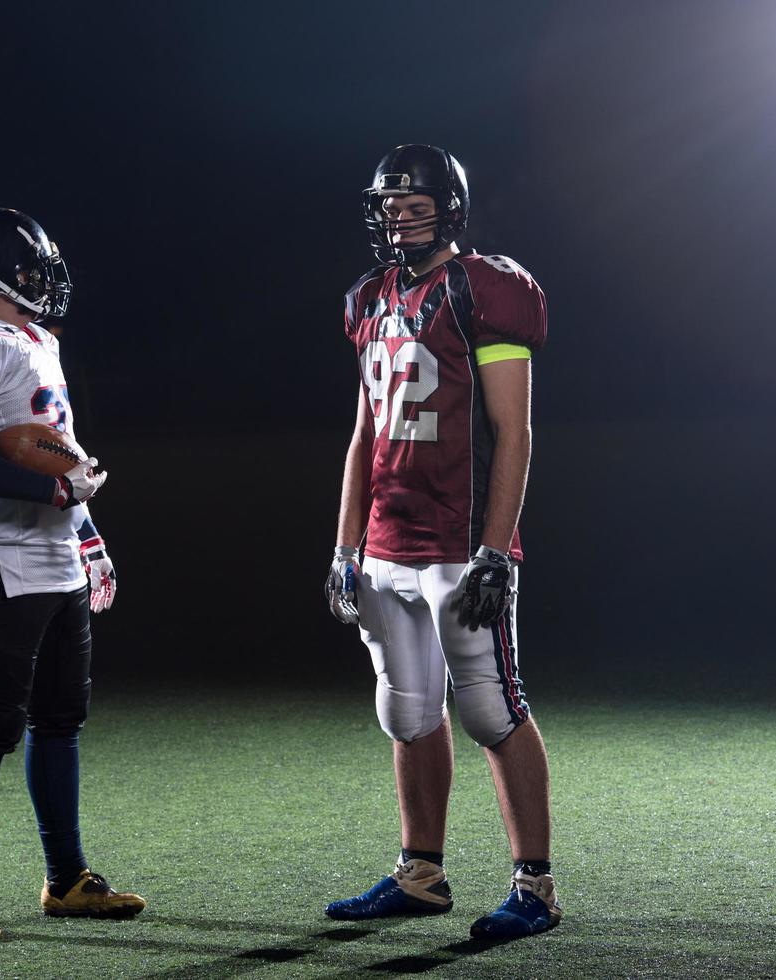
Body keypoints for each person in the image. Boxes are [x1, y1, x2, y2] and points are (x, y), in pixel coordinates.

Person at [323, 146, 561, 939]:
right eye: (389, 203)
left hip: (459, 545)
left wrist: (496, 549)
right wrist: (343, 546)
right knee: (407, 711)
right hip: (386, 544)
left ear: (448, 207)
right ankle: (420, 873)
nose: (399, 215)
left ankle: (534, 888)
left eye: (415, 202)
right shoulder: (367, 298)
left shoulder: (484, 289)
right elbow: (363, 437)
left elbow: (512, 430)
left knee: (492, 710)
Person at [0, 207, 141, 942]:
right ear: (0, 273)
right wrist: (55, 492)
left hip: (53, 558)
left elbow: (53, 450)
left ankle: (66, 878)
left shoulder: (36, 341)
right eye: (34, 269)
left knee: (60, 723)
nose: (47, 282)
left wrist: (88, 534)